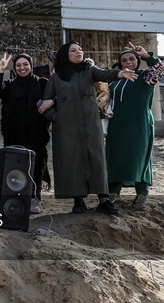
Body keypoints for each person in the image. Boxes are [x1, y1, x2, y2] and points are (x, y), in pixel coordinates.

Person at [40, 41, 137, 215]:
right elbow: (44, 104)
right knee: (72, 160)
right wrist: (55, 117)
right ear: (65, 55)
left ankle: (104, 199)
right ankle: (78, 199)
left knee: (97, 159)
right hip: (66, 128)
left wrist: (120, 73)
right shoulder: (56, 77)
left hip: (91, 124)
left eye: (80, 49)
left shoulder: (90, 70)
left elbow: (105, 74)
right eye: (74, 50)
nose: (79, 52)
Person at [104, 42, 163, 207]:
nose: (128, 62)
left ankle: (142, 194)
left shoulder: (145, 76)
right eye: (124, 60)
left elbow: (160, 69)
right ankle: (114, 193)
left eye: (132, 59)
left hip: (139, 124)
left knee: (139, 157)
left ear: (137, 60)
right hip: (117, 124)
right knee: (114, 156)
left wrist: (146, 56)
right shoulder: (116, 80)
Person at [0, 52, 50, 213]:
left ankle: (34, 198)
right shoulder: (10, 85)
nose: (22, 68)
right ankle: (16, 198)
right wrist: (0, 71)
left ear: (31, 65)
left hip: (35, 133)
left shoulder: (42, 83)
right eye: (18, 65)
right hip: (13, 133)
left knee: (35, 165)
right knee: (15, 166)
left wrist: (51, 101)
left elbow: (58, 95)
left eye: (25, 64)